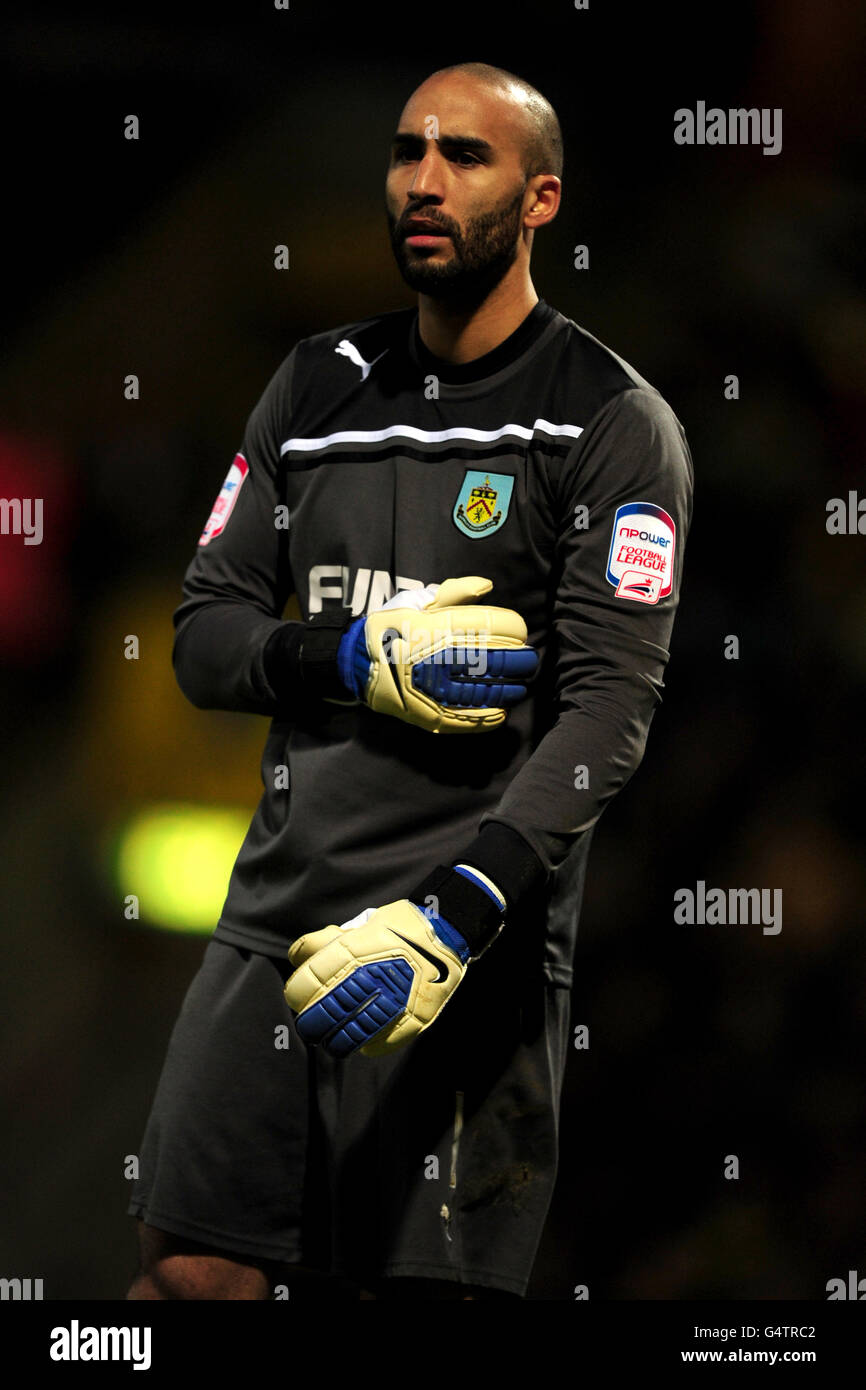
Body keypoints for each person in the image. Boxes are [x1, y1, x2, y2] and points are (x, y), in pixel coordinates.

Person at [126, 59, 693, 1301]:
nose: (420, 183)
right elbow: (202, 637)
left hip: (461, 960)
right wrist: (343, 660)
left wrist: (452, 920)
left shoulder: (608, 419)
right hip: (270, 933)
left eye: (463, 157)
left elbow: (610, 710)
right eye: (404, 152)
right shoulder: (313, 385)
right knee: (185, 1279)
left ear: (540, 199)